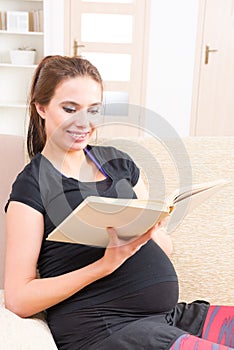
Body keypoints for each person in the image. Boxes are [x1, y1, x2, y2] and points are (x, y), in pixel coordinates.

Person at [4, 55, 234, 350]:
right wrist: (105, 265)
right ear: (41, 107)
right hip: (104, 328)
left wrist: (151, 227)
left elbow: (164, 248)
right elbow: (18, 299)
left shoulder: (118, 162)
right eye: (70, 109)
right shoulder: (32, 185)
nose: (83, 123)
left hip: (167, 317)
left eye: (93, 110)